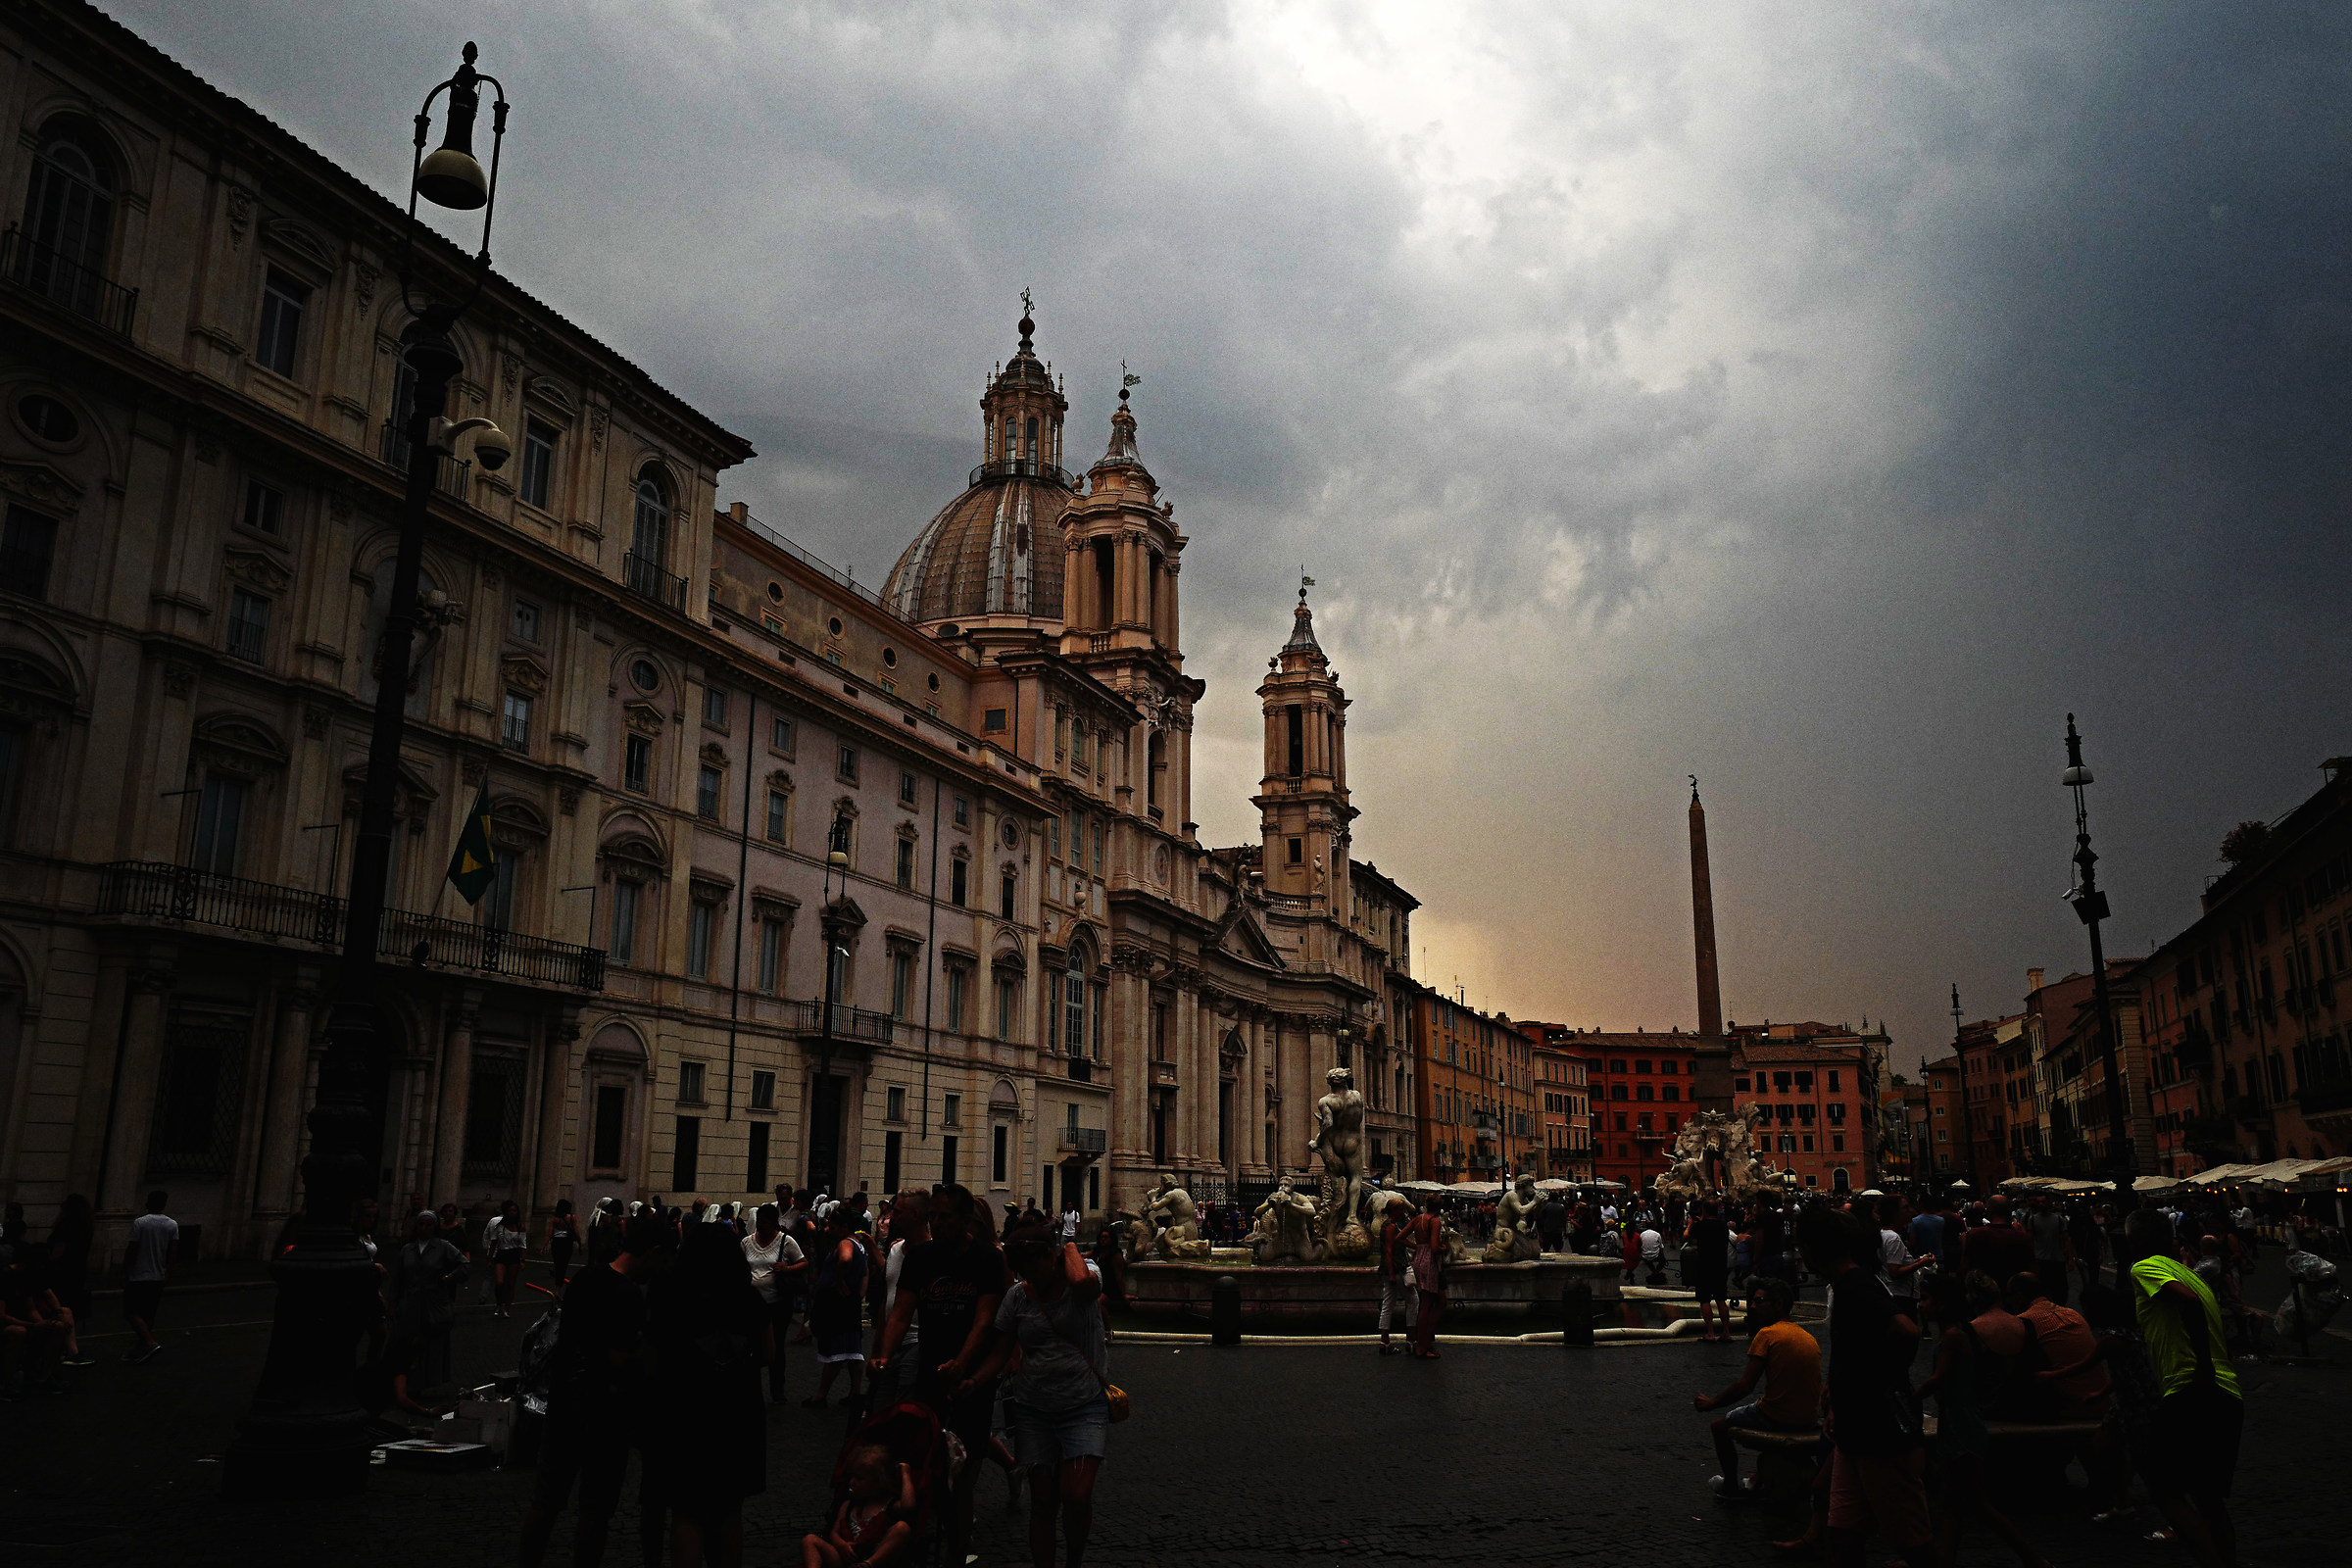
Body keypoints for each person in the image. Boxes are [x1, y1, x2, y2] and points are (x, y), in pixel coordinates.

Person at [877, 1183, 1013, 1563]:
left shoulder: (987, 1258)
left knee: (965, 1472)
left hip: (971, 1381)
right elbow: (901, 1313)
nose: (935, 1223)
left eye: (943, 1217)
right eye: (932, 1215)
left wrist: (962, 1363)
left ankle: (956, 1545)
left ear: (965, 1220)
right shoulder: (920, 1258)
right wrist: (883, 1356)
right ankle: (925, 1539)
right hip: (929, 1372)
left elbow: (985, 1320)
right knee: (923, 1462)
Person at [516, 1213, 662, 1568]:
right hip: (603, 1413)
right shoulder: (627, 1294)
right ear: (653, 1251)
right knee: (595, 1509)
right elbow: (617, 1358)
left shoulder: (585, 1276)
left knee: (546, 1501)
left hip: (562, 1402)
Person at [963, 1226, 1107, 1568]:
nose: (1029, 1278)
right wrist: (975, 1380)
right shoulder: (1017, 1296)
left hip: (1084, 1403)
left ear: (1050, 1255)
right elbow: (1000, 1352)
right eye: (1022, 1272)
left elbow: (1084, 1284)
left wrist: (1068, 1245)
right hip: (1034, 1409)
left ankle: (1073, 1560)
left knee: (1076, 1495)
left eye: (1033, 1268)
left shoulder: (1084, 1275)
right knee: (1043, 1501)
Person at [1797, 1204, 1929, 1568]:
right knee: (1842, 1530)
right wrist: (1838, 1395)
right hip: (1854, 1431)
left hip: (1877, 1432)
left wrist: (1876, 1387)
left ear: (1811, 1249)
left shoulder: (1856, 1285)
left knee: (1911, 1539)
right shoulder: (1850, 1283)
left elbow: (1907, 1331)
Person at [641, 1224, 768, 1568]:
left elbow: (649, 1360)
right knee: (729, 1510)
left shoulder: (669, 1296)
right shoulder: (749, 1298)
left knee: (686, 1510)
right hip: (738, 1413)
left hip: (684, 1412)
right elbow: (768, 1353)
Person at [2125, 1207, 2242, 1568]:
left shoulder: (2145, 1268)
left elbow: (2186, 1303)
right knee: (2208, 1498)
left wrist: (2202, 1367)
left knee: (2165, 1489)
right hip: (2228, 1394)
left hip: (2190, 1389)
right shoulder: (2192, 1275)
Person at [1916, 1271, 2054, 1568]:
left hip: (1962, 1428)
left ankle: (2034, 1559)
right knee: (1956, 1503)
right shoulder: (1957, 1332)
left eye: (1924, 1298)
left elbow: (1937, 1379)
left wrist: (1909, 1397)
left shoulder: (1954, 1335)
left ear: (1941, 1304)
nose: (1919, 1304)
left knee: (1975, 1504)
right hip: (1960, 1425)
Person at [1693, 1276, 1819, 1498]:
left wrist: (1712, 1403)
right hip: (1808, 1417)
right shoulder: (1808, 1337)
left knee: (1719, 1426)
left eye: (1759, 1301)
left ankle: (1731, 1486)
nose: (1752, 1306)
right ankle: (1755, 1479)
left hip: (1777, 1416)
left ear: (1778, 1304)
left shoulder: (1767, 1335)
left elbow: (1745, 1386)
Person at [385, 1209, 466, 1396]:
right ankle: (403, 1382)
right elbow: (397, 1279)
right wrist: (392, 1305)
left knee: (429, 1345)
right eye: (421, 1224)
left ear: (435, 1227)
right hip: (410, 1305)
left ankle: (422, 1382)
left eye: (428, 1224)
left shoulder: (444, 1247)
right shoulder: (407, 1249)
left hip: (433, 1305)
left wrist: (450, 1277)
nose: (424, 1228)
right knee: (406, 1344)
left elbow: (464, 1265)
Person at [802, 1443, 919, 1568]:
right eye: (851, 1476)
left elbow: (908, 1506)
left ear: (878, 1482)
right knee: (809, 1540)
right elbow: (834, 1533)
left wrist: (905, 1473)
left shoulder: (888, 1505)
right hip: (846, 1558)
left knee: (902, 1528)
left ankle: (867, 1565)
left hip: (874, 1559)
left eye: (859, 1478)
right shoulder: (848, 1506)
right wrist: (841, 1545)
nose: (852, 1482)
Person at [743, 1202, 808, 1404]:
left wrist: (786, 1269)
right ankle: (751, 1389)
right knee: (751, 1345)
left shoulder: (785, 1242)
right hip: (752, 1304)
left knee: (777, 1346)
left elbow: (803, 1262)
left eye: (764, 1223)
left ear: (773, 1223)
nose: (759, 1226)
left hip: (777, 1303)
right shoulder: (746, 1242)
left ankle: (777, 1388)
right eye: (758, 1222)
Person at [803, 1209, 869, 1408]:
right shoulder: (859, 1244)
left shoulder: (846, 1243)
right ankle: (855, 1393)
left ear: (844, 1227)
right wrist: (859, 1293)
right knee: (853, 1350)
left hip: (837, 1304)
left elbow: (845, 1259)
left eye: (832, 1226)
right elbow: (866, 1271)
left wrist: (839, 1280)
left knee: (836, 1350)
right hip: (849, 1302)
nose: (828, 1230)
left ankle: (821, 1396)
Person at [120, 1189, 177, 1364]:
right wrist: (168, 1273)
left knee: (130, 1311)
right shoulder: (171, 1224)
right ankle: (143, 1345)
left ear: (148, 1202)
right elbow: (173, 1252)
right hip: (157, 1275)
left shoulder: (140, 1223)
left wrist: (125, 1269)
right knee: (148, 1313)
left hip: (139, 1275)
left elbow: (132, 1249)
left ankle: (149, 1342)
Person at [45, 1194, 94, 1361]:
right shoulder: (85, 1227)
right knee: (69, 1309)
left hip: (61, 1274)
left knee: (61, 1309)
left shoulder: (65, 1228)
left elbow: (56, 1254)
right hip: (77, 1272)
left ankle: (63, 1348)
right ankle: (69, 1348)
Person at [1960, 1196, 2034, 1291]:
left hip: (1985, 1291)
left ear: (1988, 1211)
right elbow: (2032, 1268)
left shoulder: (1974, 1235)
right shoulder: (2023, 1237)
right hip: (2015, 1291)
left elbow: (1964, 1265)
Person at [1683, 1200, 1733, 1342]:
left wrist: (1690, 1225)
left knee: (1704, 1300)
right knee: (1721, 1300)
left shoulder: (1701, 1225)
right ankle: (1727, 1332)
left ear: (1704, 1210)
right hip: (1720, 1265)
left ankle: (1710, 1333)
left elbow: (1686, 1237)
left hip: (1704, 1266)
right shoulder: (1723, 1225)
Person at [1406, 1195, 1448, 1358]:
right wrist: (1443, 1248)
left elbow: (1400, 1237)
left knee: (1438, 1301)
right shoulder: (1435, 1221)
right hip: (1430, 1262)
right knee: (1427, 1304)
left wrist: (1416, 1247)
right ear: (1438, 1208)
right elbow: (1434, 1247)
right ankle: (1422, 1346)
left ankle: (1424, 1341)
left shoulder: (1418, 1219)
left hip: (1419, 1260)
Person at [2024, 1195, 2075, 1309]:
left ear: (2049, 1203)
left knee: (2061, 1290)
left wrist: (2070, 1258)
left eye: (2043, 1202)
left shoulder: (2058, 1219)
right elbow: (2030, 1240)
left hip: (2057, 1259)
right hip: (2042, 1259)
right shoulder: (2033, 1220)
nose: (2041, 1204)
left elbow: (2066, 1239)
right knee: (2045, 1289)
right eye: (2039, 1202)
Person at [484, 1200, 528, 1319]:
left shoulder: (520, 1227)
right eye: (510, 1210)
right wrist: (490, 1259)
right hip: (501, 1255)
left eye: (515, 1210)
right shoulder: (499, 1227)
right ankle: (499, 1304)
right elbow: (493, 1243)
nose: (512, 1213)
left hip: (514, 1255)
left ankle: (506, 1308)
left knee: (510, 1284)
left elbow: (523, 1245)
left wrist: (522, 1261)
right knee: (499, 1282)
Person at [548, 1199, 579, 1290]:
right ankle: (558, 1286)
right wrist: (580, 1243)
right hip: (567, 1242)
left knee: (558, 1262)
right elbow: (576, 1231)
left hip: (557, 1242)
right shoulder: (572, 1218)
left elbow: (549, 1233)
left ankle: (557, 1282)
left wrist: (543, 1246)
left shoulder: (555, 1219)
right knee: (563, 1265)